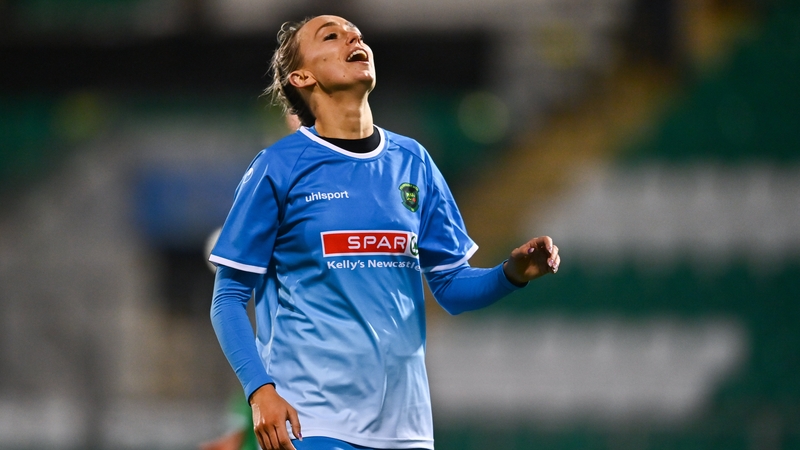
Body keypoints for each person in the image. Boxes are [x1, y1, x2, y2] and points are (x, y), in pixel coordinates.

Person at [208, 15, 560, 450]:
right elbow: (227, 298)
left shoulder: (413, 162)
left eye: (355, 32)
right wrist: (260, 390)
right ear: (302, 77)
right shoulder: (278, 167)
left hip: (406, 431)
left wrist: (512, 273)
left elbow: (450, 285)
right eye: (331, 36)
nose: (353, 37)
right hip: (313, 425)